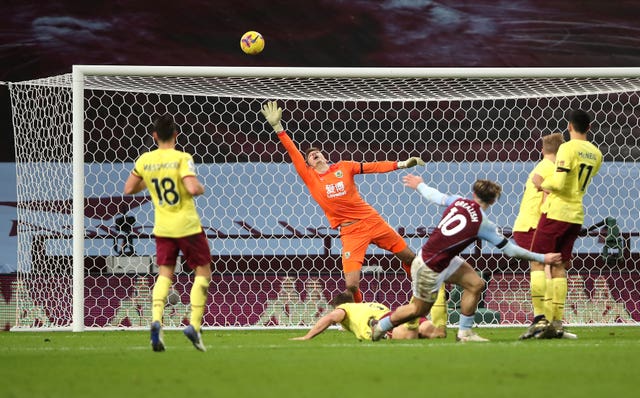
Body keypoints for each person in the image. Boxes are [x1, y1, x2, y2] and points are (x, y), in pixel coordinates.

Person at [260, 101, 424, 303]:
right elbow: (292, 152)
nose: (314, 154)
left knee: (410, 258)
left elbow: (373, 167)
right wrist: (278, 128)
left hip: (372, 221)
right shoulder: (310, 177)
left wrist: (402, 164)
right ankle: (360, 317)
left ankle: (425, 295)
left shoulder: (344, 167)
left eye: (317, 152)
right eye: (310, 155)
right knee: (351, 285)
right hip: (351, 232)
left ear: (323, 155)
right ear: (308, 164)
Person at [371, 176, 563, 342]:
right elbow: (511, 251)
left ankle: (465, 333)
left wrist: (419, 185)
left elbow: (435, 196)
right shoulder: (483, 223)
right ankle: (381, 326)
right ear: (493, 201)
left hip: (441, 259)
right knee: (418, 310)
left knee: (476, 284)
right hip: (429, 266)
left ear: (474, 194)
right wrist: (542, 257)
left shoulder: (458, 201)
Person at [124, 114, 212, 352]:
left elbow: (129, 188)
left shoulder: (145, 160)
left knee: (165, 274)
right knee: (202, 271)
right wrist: (200, 187)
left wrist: (151, 181)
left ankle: (155, 321)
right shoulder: (182, 157)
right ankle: (194, 325)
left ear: (154, 136)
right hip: (187, 225)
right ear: (176, 135)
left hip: (162, 228)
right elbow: (192, 187)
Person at [529, 109, 603, 338]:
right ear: (589, 128)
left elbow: (560, 183)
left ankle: (540, 319)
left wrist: (542, 183)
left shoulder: (567, 148)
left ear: (569, 126)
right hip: (576, 215)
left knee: (538, 261)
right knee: (559, 265)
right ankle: (557, 322)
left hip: (557, 212)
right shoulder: (597, 153)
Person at [511, 133, 567, 339]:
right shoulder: (551, 169)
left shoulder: (542, 168)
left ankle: (548, 320)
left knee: (549, 267)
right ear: (561, 152)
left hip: (532, 224)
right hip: (536, 225)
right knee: (547, 266)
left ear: (542, 150)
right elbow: (546, 202)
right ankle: (547, 319)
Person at [290, 289, 447, 341]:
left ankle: (412, 318)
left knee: (409, 336)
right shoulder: (370, 305)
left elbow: (330, 317)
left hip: (385, 324)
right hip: (394, 314)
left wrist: (307, 336)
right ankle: (433, 291)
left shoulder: (345, 308)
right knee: (436, 333)